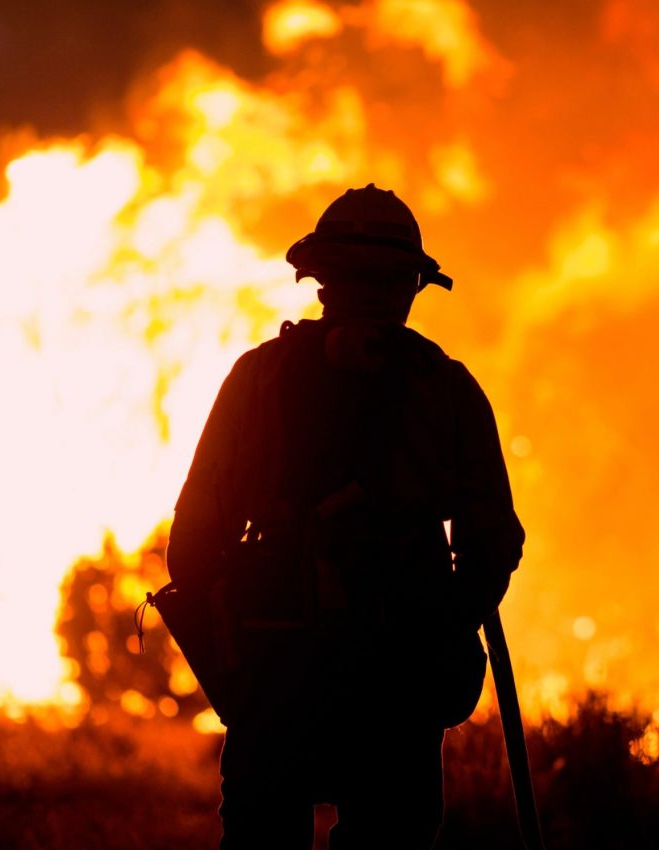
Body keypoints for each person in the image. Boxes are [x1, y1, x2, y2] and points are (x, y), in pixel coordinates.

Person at [166, 184, 525, 849]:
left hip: (277, 674)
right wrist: (440, 628)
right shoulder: (448, 391)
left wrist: (233, 637)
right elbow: (493, 543)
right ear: (414, 286)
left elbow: (191, 543)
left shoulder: (255, 382)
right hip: (397, 692)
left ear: (317, 276)